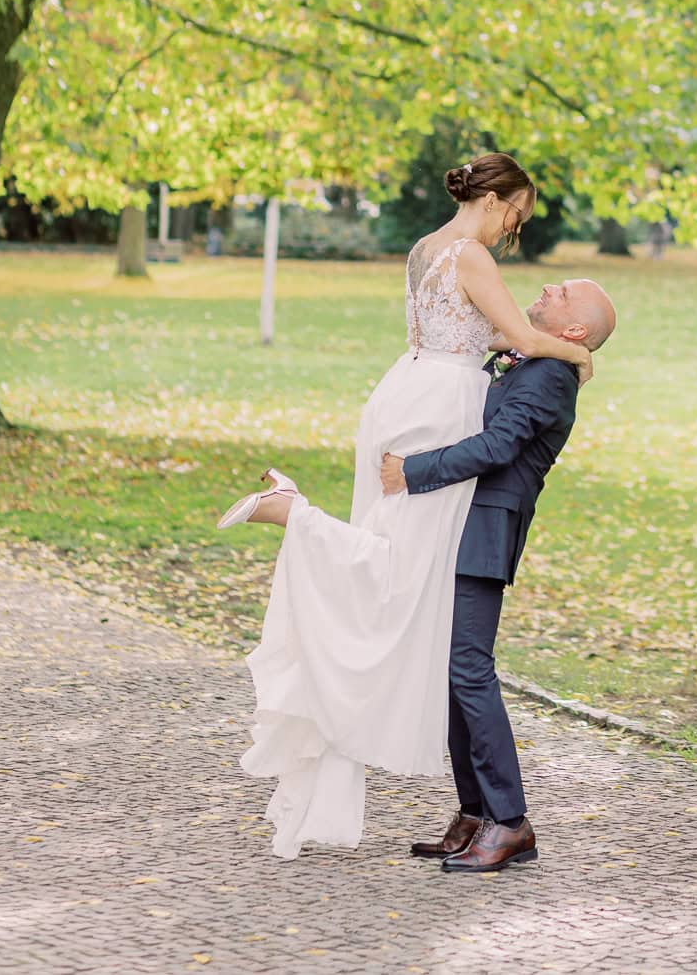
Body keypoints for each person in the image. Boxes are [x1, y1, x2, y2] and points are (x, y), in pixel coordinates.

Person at [215, 152, 592, 860]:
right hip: (440, 410)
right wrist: (577, 354)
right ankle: (299, 516)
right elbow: (523, 337)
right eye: (520, 209)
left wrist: (555, 351)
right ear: (497, 197)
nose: (521, 226)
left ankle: (485, 814)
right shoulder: (473, 256)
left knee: (407, 590)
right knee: (400, 582)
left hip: (407, 393)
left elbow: (503, 345)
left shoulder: (426, 247)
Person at [380, 275, 616, 872]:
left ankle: (510, 822)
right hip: (453, 524)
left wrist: (413, 471)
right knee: (452, 670)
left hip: (483, 530)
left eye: (561, 292)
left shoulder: (552, 379)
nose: (546, 286)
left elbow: (496, 446)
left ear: (575, 330)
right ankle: (474, 812)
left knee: (468, 669)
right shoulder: (531, 357)